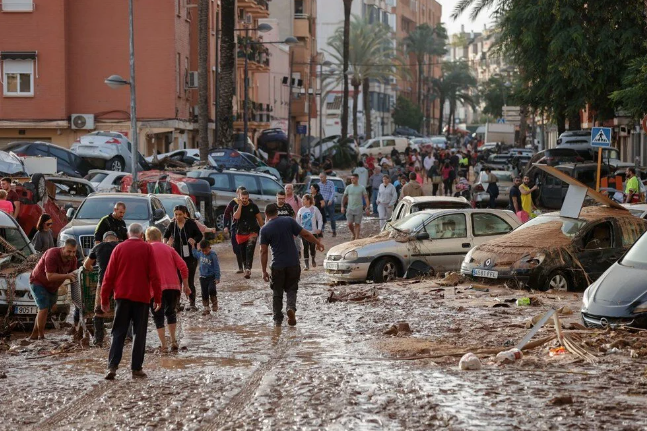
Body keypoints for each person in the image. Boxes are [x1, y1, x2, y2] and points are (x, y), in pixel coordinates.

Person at [101, 223, 161, 380]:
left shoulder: (119, 249)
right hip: (141, 298)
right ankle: (136, 369)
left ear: (128, 235)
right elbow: (154, 275)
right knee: (139, 333)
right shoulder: (147, 248)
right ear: (141, 235)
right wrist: (158, 298)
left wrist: (104, 298)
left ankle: (112, 367)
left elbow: (108, 276)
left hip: (122, 297)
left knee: (118, 332)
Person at [259, 203, 324, 326]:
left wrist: (263, 271)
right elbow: (305, 234)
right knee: (291, 289)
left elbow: (263, 251)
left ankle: (277, 320)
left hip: (277, 265)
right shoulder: (289, 221)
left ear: (266, 215)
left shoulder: (265, 229)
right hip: (293, 263)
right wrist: (317, 243)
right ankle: (290, 308)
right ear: (277, 212)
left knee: (277, 292)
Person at [146, 227, 189, 351]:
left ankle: (164, 345)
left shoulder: (147, 250)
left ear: (147, 239)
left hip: (155, 289)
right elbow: (184, 267)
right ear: (160, 238)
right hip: (173, 287)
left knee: (158, 316)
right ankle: (174, 341)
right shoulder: (170, 249)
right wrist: (186, 285)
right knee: (171, 313)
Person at [28, 239, 79, 340]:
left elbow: (74, 275)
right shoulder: (52, 254)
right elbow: (50, 276)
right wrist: (67, 276)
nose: (71, 254)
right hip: (38, 281)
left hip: (53, 286)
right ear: (62, 248)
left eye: (74, 252)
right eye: (69, 251)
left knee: (46, 309)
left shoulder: (73, 259)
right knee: (44, 308)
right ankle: (41, 337)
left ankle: (34, 335)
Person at [83, 231, 120, 347]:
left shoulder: (98, 247)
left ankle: (98, 340)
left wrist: (90, 268)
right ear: (116, 239)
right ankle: (125, 337)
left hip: (103, 281)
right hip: (120, 282)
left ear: (104, 240)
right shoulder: (120, 246)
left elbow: (86, 265)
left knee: (99, 310)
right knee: (123, 308)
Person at [164, 205, 203, 310]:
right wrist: (166, 244)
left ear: (185, 214)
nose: (178, 216)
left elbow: (200, 235)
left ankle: (192, 303)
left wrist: (194, 240)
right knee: (177, 281)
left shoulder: (191, 223)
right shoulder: (172, 225)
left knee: (190, 280)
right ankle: (177, 304)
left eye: (180, 214)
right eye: (176, 214)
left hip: (190, 257)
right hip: (176, 257)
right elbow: (165, 235)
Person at [233, 190, 264, 278]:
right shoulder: (236, 207)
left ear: (248, 198)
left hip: (252, 231)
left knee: (249, 250)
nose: (244, 200)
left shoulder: (253, 206)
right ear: (240, 198)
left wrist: (263, 229)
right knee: (243, 252)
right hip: (240, 232)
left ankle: (248, 269)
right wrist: (240, 205)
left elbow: (259, 219)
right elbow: (237, 217)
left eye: (246, 198)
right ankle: (245, 267)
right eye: (243, 198)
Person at [192, 239, 221, 316]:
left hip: (211, 277)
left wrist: (217, 278)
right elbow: (195, 254)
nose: (204, 252)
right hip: (202, 277)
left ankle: (214, 303)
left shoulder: (213, 255)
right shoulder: (200, 254)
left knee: (211, 290)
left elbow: (216, 267)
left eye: (206, 250)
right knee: (204, 293)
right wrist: (192, 246)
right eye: (203, 250)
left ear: (209, 247)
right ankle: (206, 308)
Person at [224, 186, 247, 273]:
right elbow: (226, 214)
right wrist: (225, 225)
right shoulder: (233, 203)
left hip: (246, 228)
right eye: (240, 193)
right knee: (236, 248)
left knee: (245, 248)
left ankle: (246, 266)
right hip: (235, 228)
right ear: (237, 193)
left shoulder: (249, 202)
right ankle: (240, 267)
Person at [296, 194, 323, 269]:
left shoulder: (314, 209)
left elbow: (320, 219)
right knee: (305, 247)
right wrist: (297, 231)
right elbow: (297, 221)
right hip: (304, 233)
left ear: (308, 200)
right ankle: (306, 264)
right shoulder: (301, 210)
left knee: (312, 247)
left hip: (313, 232)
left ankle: (313, 259)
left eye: (304, 199)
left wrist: (319, 229)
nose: (302, 201)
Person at [342, 173, 369, 240]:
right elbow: (344, 197)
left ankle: (356, 238)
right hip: (350, 207)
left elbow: (366, 197)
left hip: (359, 207)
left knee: (357, 223)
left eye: (353, 178)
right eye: (351, 178)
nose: (352, 180)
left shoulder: (361, 187)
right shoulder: (348, 187)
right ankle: (354, 234)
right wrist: (342, 206)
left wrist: (367, 207)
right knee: (349, 224)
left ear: (357, 178)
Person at [319, 173, 336, 237]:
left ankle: (334, 230)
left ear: (325, 177)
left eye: (322, 177)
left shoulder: (331, 183)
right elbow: (319, 194)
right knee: (322, 217)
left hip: (330, 202)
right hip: (323, 202)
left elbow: (333, 192)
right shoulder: (319, 184)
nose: (321, 179)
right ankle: (321, 231)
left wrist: (330, 200)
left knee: (332, 217)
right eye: (320, 177)